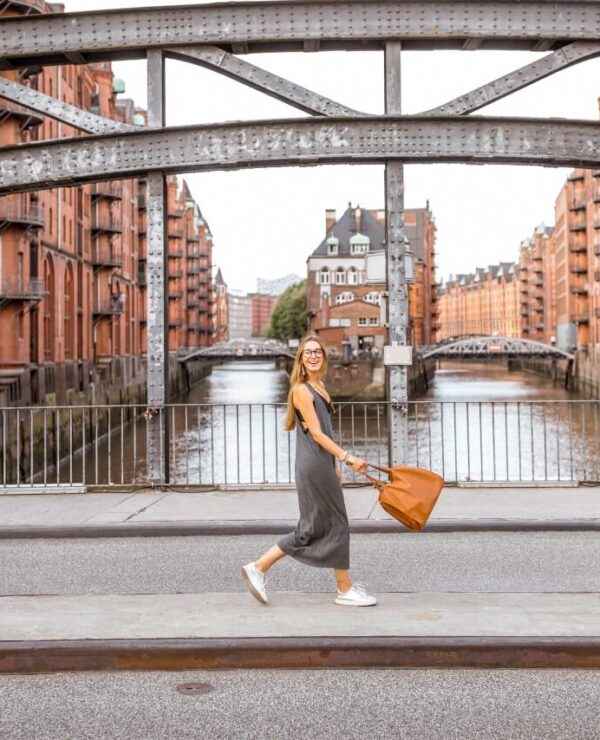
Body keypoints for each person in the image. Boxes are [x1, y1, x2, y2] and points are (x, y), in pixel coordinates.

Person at [242, 334, 377, 607]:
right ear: (301, 360)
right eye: (308, 353)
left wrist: (335, 464)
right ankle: (260, 567)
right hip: (313, 463)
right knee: (320, 526)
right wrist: (348, 457)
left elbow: (326, 430)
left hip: (321, 463)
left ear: (324, 358)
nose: (313, 356)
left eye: (317, 352)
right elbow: (316, 433)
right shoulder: (302, 390)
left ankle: (342, 587)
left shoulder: (320, 387)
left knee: (328, 524)